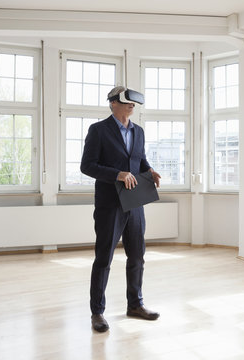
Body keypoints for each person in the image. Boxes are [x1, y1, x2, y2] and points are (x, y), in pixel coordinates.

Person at [80, 86, 162, 333]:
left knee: (137, 256)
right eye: (127, 102)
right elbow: (87, 166)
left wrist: (149, 171)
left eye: (134, 104)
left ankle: (135, 305)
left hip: (134, 202)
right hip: (109, 204)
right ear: (113, 103)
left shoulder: (139, 132)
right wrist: (118, 174)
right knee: (104, 258)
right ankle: (97, 312)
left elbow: (140, 160)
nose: (132, 106)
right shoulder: (98, 130)